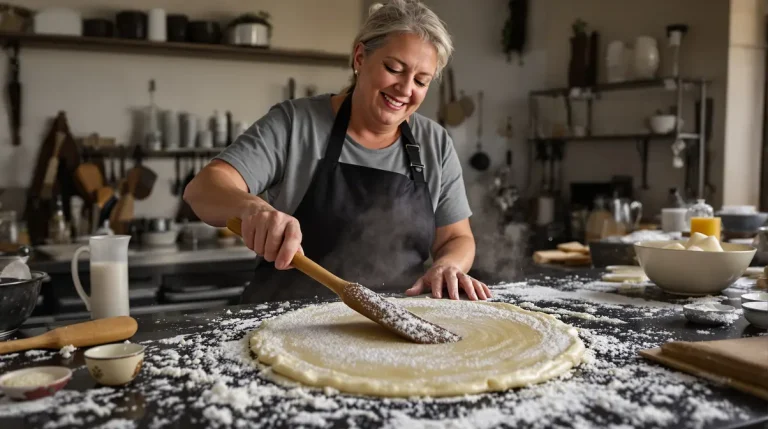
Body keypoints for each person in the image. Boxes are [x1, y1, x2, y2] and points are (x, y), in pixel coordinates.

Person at [183, 0, 491, 303]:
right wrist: (253, 209)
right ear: (360, 57)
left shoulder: (434, 143)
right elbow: (202, 190)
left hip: (389, 330)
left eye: (421, 81)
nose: (406, 89)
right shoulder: (295, 124)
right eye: (394, 69)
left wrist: (448, 266)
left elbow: (456, 239)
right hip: (283, 326)